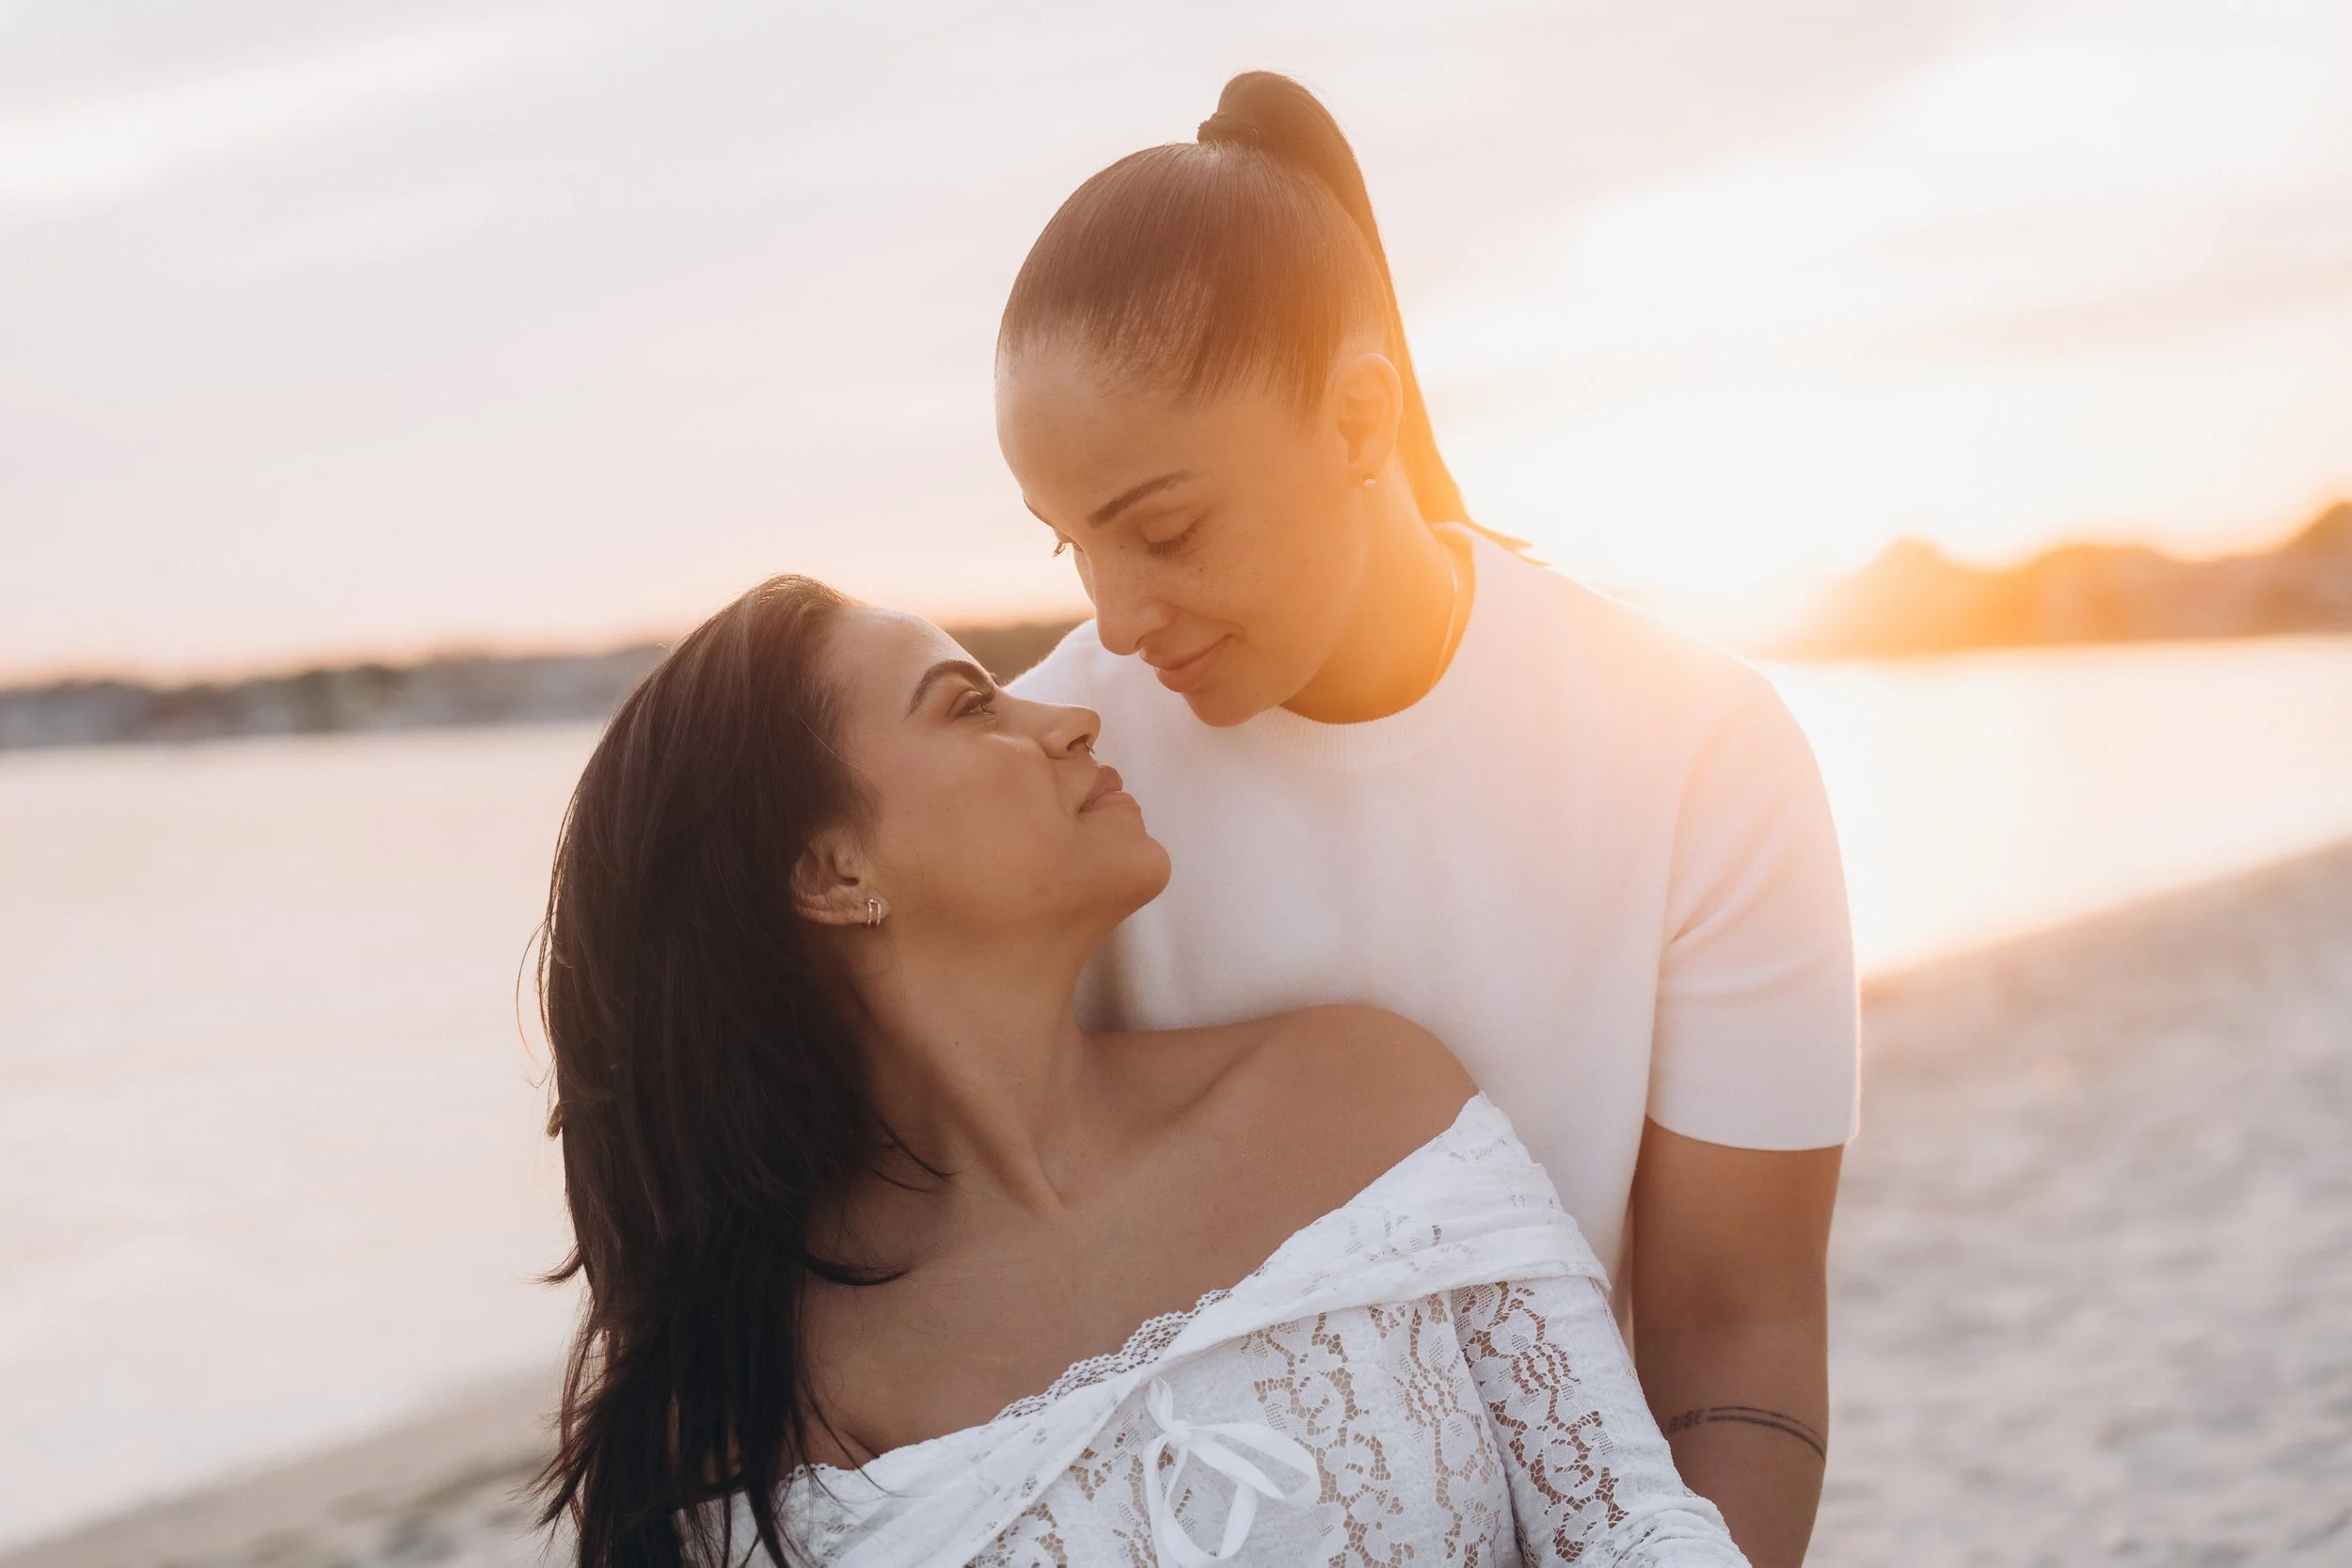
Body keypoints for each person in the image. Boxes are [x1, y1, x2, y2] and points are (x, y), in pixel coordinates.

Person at [996, 72, 1855, 1566]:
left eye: (1165, 528)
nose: (1117, 618)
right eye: (1073, 546)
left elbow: (1741, 1330)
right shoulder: (1060, 774)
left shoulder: (1702, 750)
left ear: (1358, 416)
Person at [532, 575, 1749, 1567]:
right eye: (967, 706)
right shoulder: (738, 1413)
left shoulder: (1366, 1097)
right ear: (832, 875)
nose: (1066, 719)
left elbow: (1635, 1526)